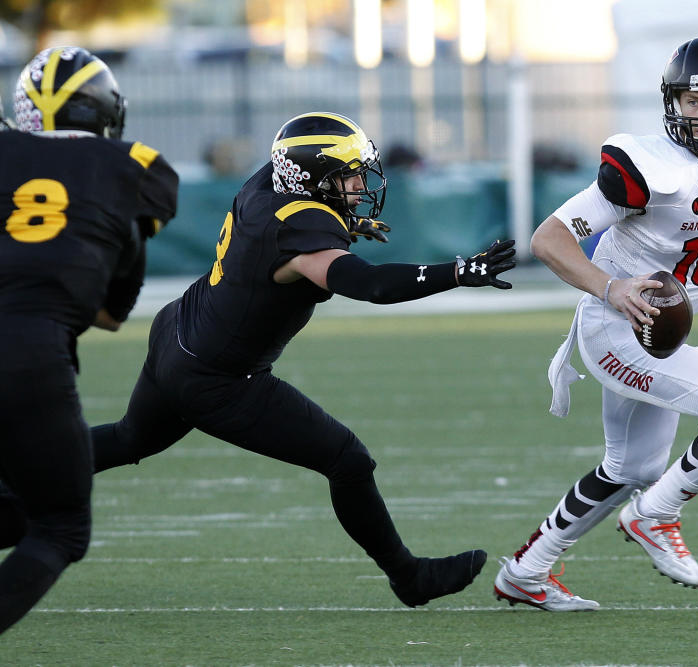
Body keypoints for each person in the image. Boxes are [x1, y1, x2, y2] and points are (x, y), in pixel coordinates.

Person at [91, 111, 516, 607]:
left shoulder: (267, 180)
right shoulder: (302, 228)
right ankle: (409, 576)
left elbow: (298, 223)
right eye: (348, 175)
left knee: (128, 438)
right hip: (219, 377)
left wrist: (342, 222)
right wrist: (459, 271)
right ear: (314, 181)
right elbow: (369, 285)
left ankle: (16, 477)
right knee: (347, 460)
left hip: (178, 331)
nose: (359, 183)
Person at [493, 37, 698, 611]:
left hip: (664, 332)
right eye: (694, 101)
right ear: (674, 103)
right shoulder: (645, 166)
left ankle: (527, 569)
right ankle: (654, 514)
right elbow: (548, 239)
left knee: (634, 466)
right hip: (617, 326)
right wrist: (609, 287)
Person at [0, 46, 178, 633]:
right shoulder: (133, 169)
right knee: (60, 524)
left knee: (16, 508)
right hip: (28, 352)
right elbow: (108, 314)